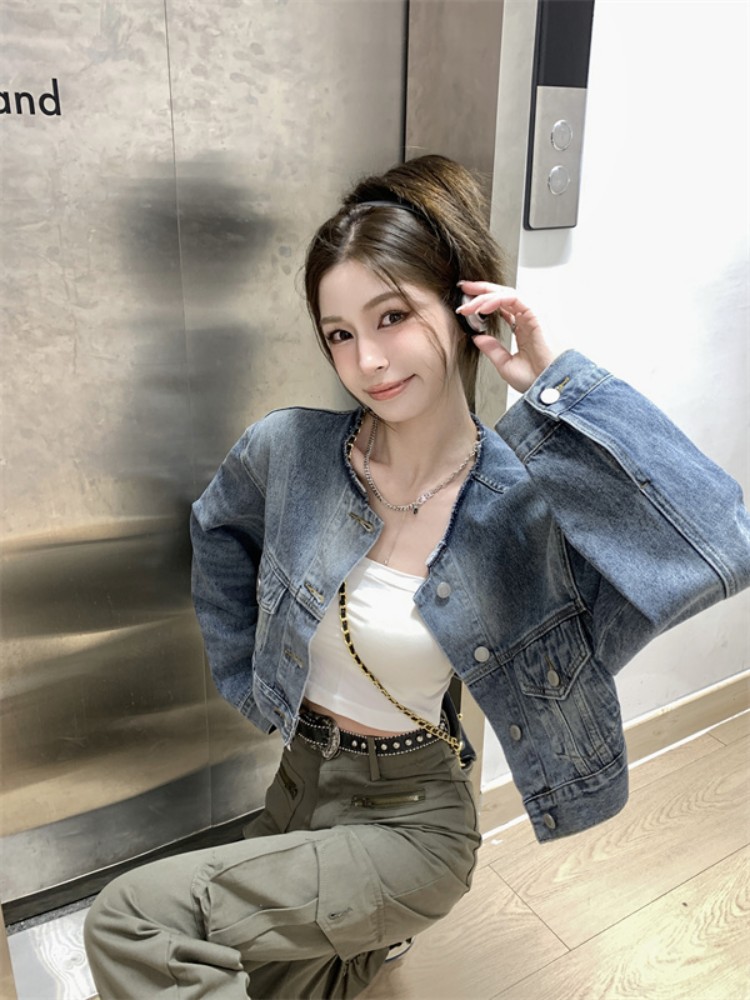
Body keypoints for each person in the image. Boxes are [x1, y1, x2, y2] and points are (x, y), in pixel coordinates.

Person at [84, 155, 750, 999]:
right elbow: (217, 533)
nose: (368, 359)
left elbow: (721, 542)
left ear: (464, 311)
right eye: (339, 333)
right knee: (267, 985)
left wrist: (556, 388)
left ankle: (377, 919)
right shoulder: (291, 452)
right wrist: (250, 683)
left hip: (416, 817)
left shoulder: (527, 507)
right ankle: (367, 942)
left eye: (392, 316)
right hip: (300, 781)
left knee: (135, 921)